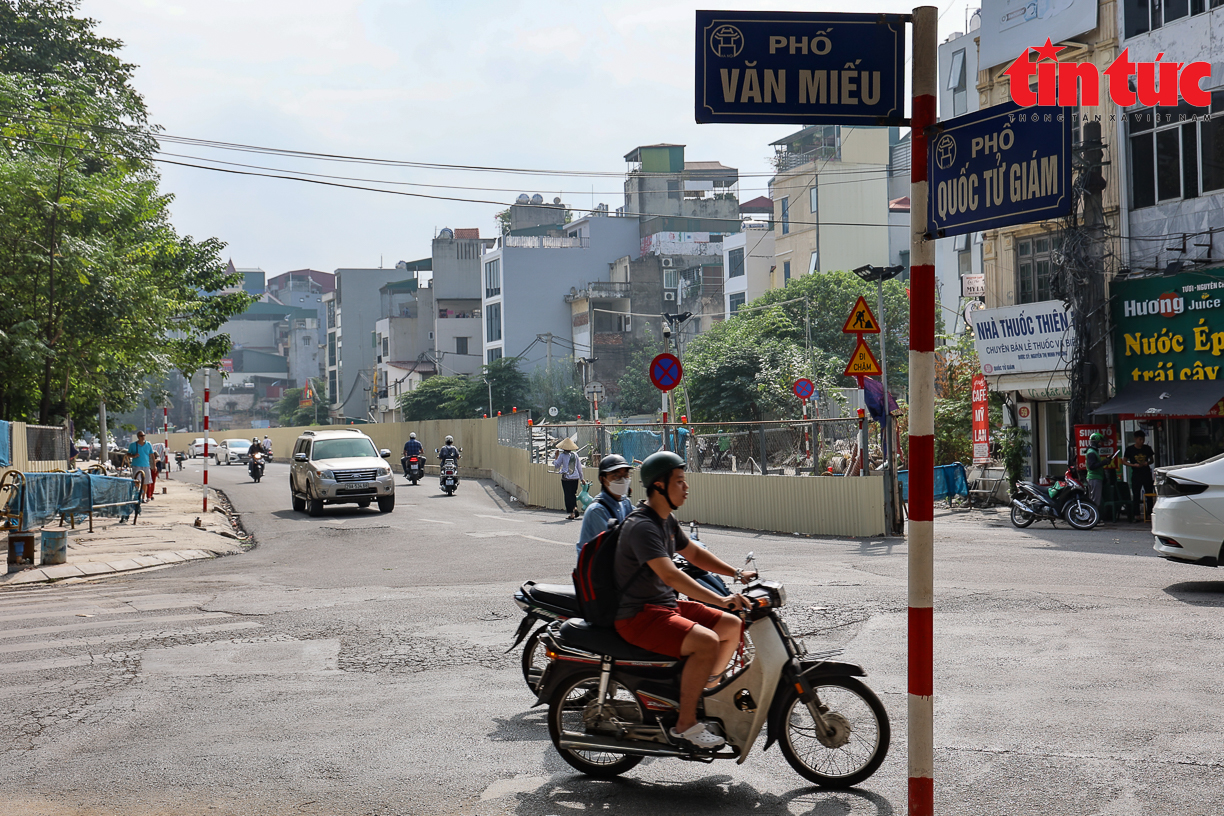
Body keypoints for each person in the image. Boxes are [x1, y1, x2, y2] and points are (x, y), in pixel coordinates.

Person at [613, 451, 755, 750]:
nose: (686, 487)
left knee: (731, 626)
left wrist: (736, 572)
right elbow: (672, 577)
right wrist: (721, 598)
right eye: (679, 481)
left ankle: (704, 695)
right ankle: (685, 723)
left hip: (663, 606)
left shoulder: (665, 521)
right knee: (707, 643)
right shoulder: (643, 526)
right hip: (638, 616)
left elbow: (693, 554)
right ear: (659, 486)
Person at [576, 454, 634, 558]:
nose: (622, 480)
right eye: (615, 475)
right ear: (603, 479)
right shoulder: (597, 510)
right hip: (600, 570)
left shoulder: (625, 502)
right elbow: (617, 546)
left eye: (625, 475)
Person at [1123, 429, 1156, 520]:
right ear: (1135, 439)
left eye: (1143, 439)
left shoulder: (1147, 448)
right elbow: (1124, 461)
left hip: (1146, 473)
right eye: (1140, 439)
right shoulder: (1130, 449)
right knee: (1136, 494)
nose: (1142, 441)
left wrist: (1147, 463)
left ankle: (1149, 513)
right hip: (1136, 473)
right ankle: (1136, 514)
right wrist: (1133, 465)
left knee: (1149, 493)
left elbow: (1152, 460)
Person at [553, 437, 583, 519]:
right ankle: (575, 507)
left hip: (566, 478)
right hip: (575, 478)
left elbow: (557, 465)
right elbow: (579, 468)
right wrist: (582, 478)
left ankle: (571, 513)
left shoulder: (562, 455)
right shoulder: (575, 455)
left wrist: (556, 456)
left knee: (567, 495)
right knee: (573, 494)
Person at [127, 431, 155, 503]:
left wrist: (154, 466)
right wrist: (133, 456)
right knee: (137, 482)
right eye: (141, 436)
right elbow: (128, 454)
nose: (143, 437)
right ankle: (137, 496)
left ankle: (143, 497)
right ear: (138, 437)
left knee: (145, 482)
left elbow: (152, 455)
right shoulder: (133, 445)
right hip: (136, 466)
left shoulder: (148, 444)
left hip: (146, 465)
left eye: (143, 435)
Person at [1083, 432, 1106, 509]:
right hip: (1094, 478)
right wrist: (1103, 463)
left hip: (1095, 478)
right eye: (1099, 442)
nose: (1101, 444)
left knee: (1094, 499)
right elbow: (1092, 466)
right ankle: (1093, 519)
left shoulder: (1093, 451)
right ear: (1095, 442)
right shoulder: (1091, 453)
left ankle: (1093, 518)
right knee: (1095, 500)